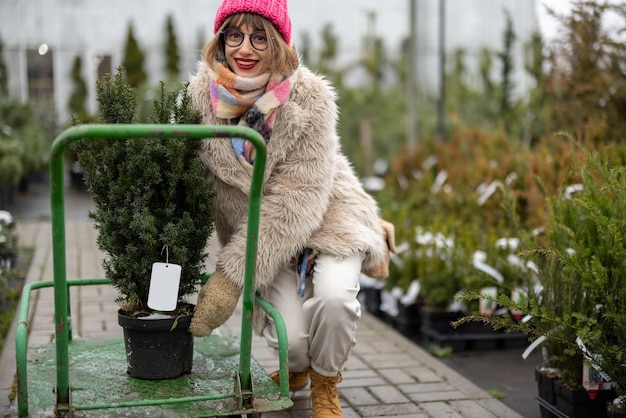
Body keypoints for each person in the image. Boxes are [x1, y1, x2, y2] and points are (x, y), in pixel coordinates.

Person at [188, 0, 396, 416]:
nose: (245, 49)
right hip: (264, 240)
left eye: (260, 37)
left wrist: (232, 276)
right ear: (221, 39)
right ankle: (299, 369)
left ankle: (325, 384)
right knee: (292, 338)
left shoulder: (310, 98)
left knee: (335, 300)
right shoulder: (198, 102)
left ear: (279, 42)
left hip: (323, 216)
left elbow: (298, 198)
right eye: (235, 34)